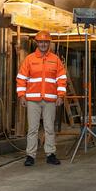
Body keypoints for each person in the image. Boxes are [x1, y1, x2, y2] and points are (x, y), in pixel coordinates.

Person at [17, 30, 66, 166]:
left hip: (50, 100)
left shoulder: (55, 60)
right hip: (33, 100)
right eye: (41, 42)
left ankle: (50, 154)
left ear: (49, 43)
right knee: (33, 129)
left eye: (46, 42)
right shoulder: (29, 59)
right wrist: (22, 96)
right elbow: (21, 79)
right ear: (37, 43)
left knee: (49, 128)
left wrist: (60, 95)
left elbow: (61, 79)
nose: (43, 44)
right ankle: (30, 156)